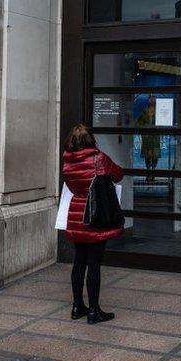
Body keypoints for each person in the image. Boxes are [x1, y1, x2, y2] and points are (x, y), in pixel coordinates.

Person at [62, 124, 124, 324]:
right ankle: (94, 310)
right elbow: (118, 174)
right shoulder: (99, 158)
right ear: (90, 139)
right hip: (95, 215)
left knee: (79, 262)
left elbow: (71, 186)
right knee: (94, 263)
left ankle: (77, 305)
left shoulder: (67, 161)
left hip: (76, 215)